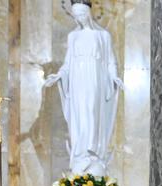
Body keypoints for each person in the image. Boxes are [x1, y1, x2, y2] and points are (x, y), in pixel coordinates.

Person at [44, 0, 122, 176]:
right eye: (76, 15)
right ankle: (80, 153)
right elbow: (67, 63)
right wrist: (59, 75)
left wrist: (114, 77)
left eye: (81, 14)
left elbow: (110, 61)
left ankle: (93, 153)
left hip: (95, 80)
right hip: (78, 81)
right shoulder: (73, 36)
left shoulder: (103, 36)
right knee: (80, 115)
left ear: (88, 13)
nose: (79, 18)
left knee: (92, 113)